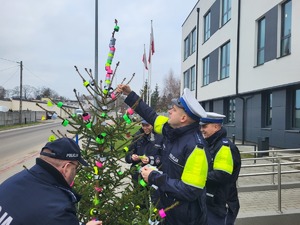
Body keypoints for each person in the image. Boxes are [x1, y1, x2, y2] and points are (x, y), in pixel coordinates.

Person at [117, 84, 210, 225]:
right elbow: (150, 115)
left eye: (173, 110)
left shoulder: (196, 148)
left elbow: (190, 190)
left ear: (183, 118)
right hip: (168, 208)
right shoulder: (170, 129)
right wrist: (130, 94)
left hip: (185, 217)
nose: (169, 111)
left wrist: (155, 177)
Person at [0, 138, 103, 225]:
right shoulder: (59, 211)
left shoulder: (12, 182)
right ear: (66, 168)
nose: (75, 173)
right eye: (75, 168)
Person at [199, 112, 241, 225]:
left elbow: (222, 175)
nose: (202, 129)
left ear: (216, 126)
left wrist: (198, 176)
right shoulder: (211, 144)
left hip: (221, 205)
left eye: (205, 126)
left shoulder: (224, 147)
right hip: (212, 202)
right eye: (201, 126)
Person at [125, 119, 163, 184]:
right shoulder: (137, 136)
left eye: (147, 125)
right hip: (137, 176)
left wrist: (150, 160)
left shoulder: (161, 137)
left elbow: (164, 158)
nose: (145, 128)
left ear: (153, 125)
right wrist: (132, 157)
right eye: (143, 125)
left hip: (153, 176)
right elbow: (128, 154)